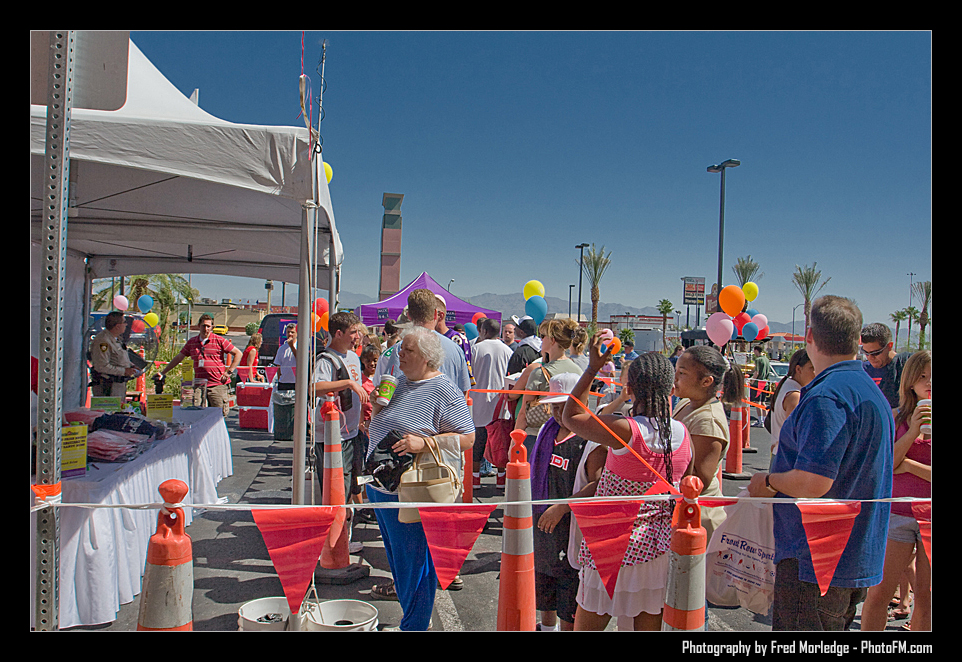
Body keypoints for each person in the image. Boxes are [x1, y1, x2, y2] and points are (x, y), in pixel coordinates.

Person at [747, 295, 893, 631]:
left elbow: (814, 482)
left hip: (815, 561)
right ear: (857, 341)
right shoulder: (869, 391)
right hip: (850, 556)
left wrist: (768, 483)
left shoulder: (826, 396)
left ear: (810, 336)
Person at [561, 342, 692, 631]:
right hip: (657, 551)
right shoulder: (683, 434)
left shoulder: (626, 430)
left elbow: (570, 417)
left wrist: (593, 367)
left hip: (611, 549)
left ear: (629, 390)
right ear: (671, 390)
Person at [365, 326, 475, 630]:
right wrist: (375, 409)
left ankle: (414, 625)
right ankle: (412, 622)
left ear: (427, 358)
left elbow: (468, 437)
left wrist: (424, 442)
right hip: (381, 484)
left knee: (413, 564)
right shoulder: (398, 381)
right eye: (401, 348)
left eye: (407, 350)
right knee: (400, 563)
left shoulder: (443, 389)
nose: (399, 354)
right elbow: (382, 421)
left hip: (411, 488)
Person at [860, 349, 931, 632]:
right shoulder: (896, 417)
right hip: (896, 515)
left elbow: (899, 464)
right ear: (910, 380)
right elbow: (886, 466)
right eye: (923, 376)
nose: (929, 382)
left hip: (929, 517)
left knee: (925, 598)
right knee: (878, 594)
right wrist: (913, 431)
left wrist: (910, 465)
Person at [529, 372, 606, 631]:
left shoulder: (593, 439)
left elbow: (598, 485)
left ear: (583, 401)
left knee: (568, 591)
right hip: (542, 526)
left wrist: (563, 507)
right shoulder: (546, 430)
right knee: (543, 586)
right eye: (555, 405)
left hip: (572, 530)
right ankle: (546, 627)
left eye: (566, 405)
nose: (559, 411)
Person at [671, 344, 743, 542]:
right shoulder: (686, 403)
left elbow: (697, 481)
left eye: (682, 373)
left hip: (700, 519)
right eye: (676, 370)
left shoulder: (707, 422)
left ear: (706, 381)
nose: (675, 377)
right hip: (682, 511)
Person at [310, 311, 369, 547]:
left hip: (353, 433)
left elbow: (358, 390)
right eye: (353, 332)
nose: (358, 336)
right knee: (336, 489)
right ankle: (334, 543)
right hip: (333, 438)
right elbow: (314, 387)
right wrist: (347, 383)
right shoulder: (326, 360)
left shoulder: (354, 357)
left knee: (353, 485)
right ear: (339, 333)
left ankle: (344, 538)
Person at [373, 289, 471, 401]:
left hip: (412, 415)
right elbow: (464, 393)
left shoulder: (401, 348)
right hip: (448, 416)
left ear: (409, 315)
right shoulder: (456, 349)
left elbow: (390, 391)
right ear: (435, 314)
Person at [509, 318, 583, 451]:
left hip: (538, 436)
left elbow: (523, 414)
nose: (541, 340)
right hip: (568, 436)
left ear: (552, 340)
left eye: (543, 336)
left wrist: (514, 445)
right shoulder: (578, 371)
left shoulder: (539, 373)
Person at [154, 313, 241, 417]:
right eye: (204, 325)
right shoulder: (192, 342)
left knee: (218, 416)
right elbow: (179, 358)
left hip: (217, 384)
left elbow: (238, 353)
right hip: (200, 384)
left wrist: (229, 372)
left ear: (212, 327)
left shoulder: (219, 340)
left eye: (208, 326)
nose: (206, 328)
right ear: (199, 326)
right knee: (196, 414)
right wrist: (163, 372)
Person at [469, 317, 513, 487]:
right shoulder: (507, 351)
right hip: (500, 406)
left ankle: (475, 480)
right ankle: (501, 479)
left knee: (477, 445)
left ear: (484, 331)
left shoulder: (475, 349)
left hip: (478, 404)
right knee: (500, 443)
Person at [766, 349, 815, 465]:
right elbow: (794, 434)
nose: (815, 372)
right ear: (798, 369)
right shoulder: (794, 395)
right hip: (788, 459)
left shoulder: (787, 385)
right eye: (812, 368)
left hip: (780, 454)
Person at [860, 322, 913, 415]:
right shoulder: (863, 370)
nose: (870, 357)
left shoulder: (907, 364)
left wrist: (898, 412)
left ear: (889, 346)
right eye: (866, 352)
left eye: (876, 353)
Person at [89, 311, 138, 397]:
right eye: (124, 322)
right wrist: (124, 371)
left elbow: (117, 358)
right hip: (107, 387)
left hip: (118, 386)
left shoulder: (116, 339)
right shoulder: (103, 341)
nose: (126, 325)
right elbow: (101, 366)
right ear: (117, 326)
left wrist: (131, 366)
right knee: (108, 410)